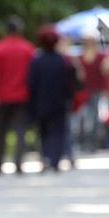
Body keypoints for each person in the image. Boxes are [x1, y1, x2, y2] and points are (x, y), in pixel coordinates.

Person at [0, 16, 35, 174]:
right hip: (22, 96)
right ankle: (18, 163)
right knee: (21, 131)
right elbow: (33, 74)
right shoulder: (28, 48)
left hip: (2, 96)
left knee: (1, 131)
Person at [26, 25, 76, 172]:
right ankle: (54, 160)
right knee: (58, 132)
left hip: (41, 103)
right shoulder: (63, 61)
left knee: (43, 132)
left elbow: (31, 84)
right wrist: (69, 98)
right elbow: (70, 83)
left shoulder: (36, 61)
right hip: (59, 103)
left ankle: (46, 157)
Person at [72, 33, 108, 152]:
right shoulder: (79, 57)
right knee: (81, 118)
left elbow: (103, 75)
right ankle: (81, 143)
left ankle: (92, 144)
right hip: (82, 92)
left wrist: (105, 91)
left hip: (96, 90)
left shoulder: (100, 56)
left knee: (93, 118)